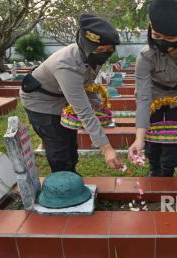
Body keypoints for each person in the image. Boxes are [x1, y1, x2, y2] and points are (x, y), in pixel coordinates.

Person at [20, 14, 122, 173]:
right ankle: (62, 182)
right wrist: (107, 148)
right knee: (58, 145)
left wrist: (99, 107)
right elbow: (84, 111)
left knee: (70, 141)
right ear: (84, 44)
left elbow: (87, 84)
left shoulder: (92, 56)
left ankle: (71, 174)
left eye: (109, 50)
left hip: (61, 96)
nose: (104, 54)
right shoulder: (66, 65)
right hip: (41, 102)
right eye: (100, 50)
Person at [127, 0, 177, 177]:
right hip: (154, 94)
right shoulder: (145, 56)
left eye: (170, 38)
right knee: (152, 132)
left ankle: (168, 170)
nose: (162, 42)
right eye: (156, 35)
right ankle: (154, 167)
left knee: (173, 133)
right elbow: (143, 98)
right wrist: (138, 139)